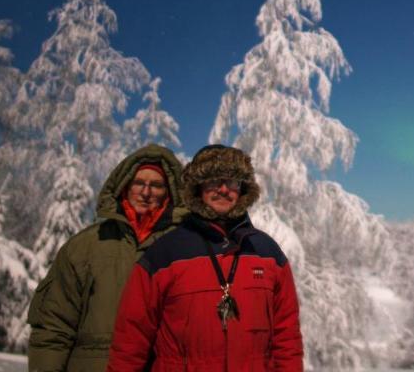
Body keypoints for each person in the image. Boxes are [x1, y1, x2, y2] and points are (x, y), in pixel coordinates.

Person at [106, 144, 303, 372]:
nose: (223, 189)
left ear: (242, 188)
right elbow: (130, 343)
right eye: (212, 180)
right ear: (198, 187)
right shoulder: (163, 254)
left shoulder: (267, 253)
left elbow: (287, 339)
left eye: (231, 181)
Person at [28, 144, 186, 372]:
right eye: (139, 183)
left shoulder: (186, 249)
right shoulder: (85, 247)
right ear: (124, 186)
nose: (146, 192)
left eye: (157, 185)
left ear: (169, 193)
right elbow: (53, 326)